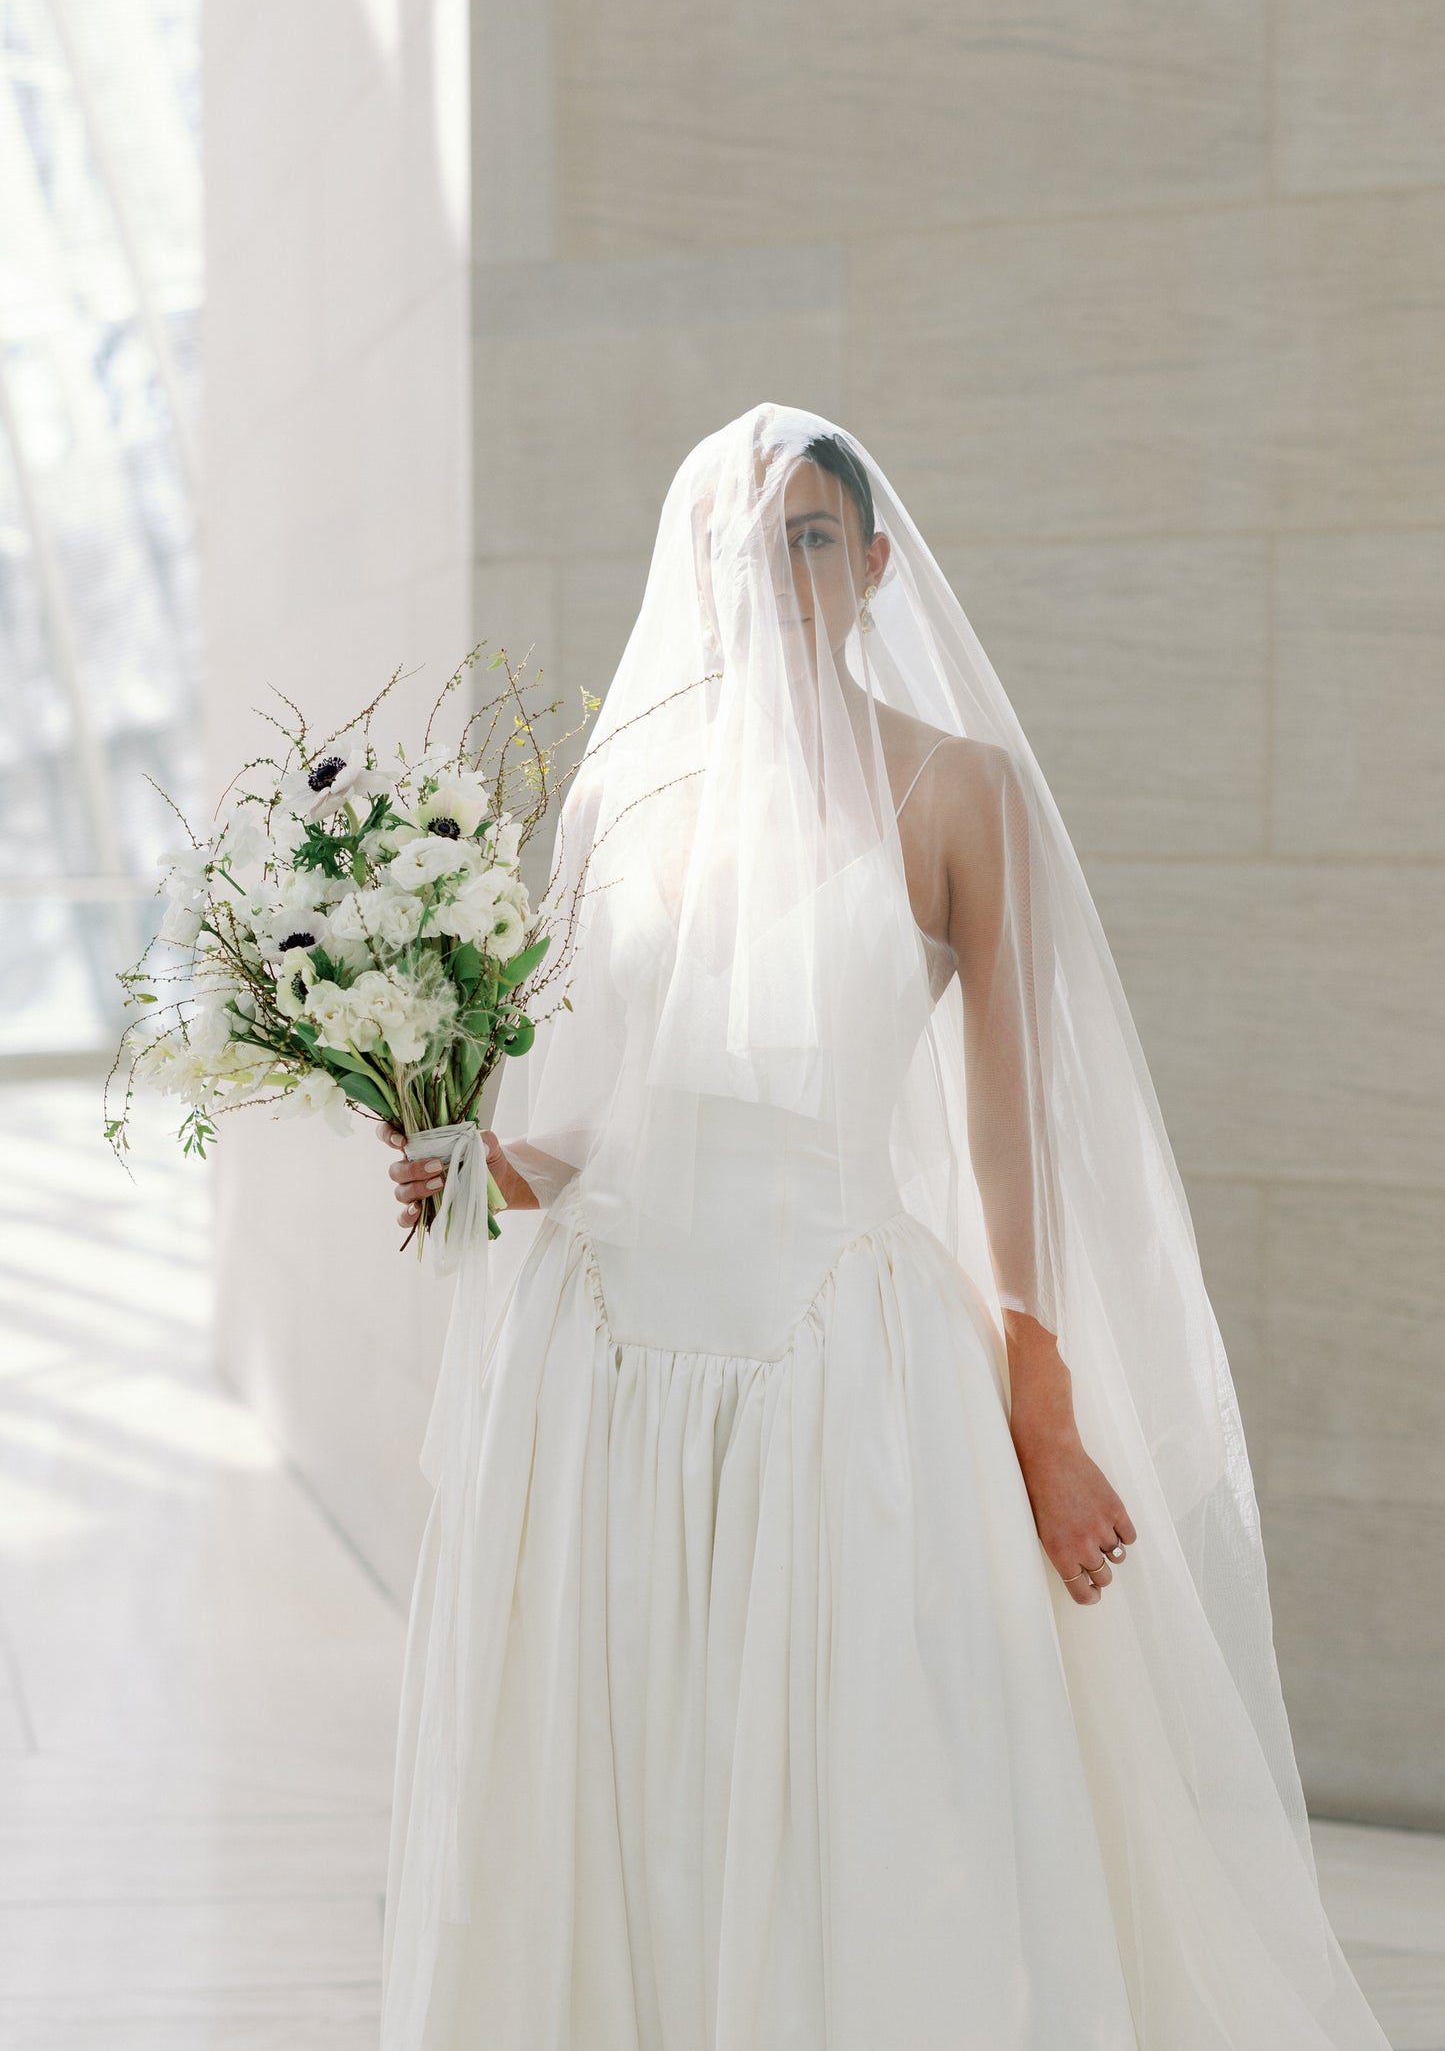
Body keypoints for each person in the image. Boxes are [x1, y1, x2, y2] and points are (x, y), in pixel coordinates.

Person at [375, 404, 1391, 2049]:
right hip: (611, 1362)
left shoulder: (955, 789)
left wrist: (1040, 1410)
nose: (771, 573)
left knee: (869, 1788)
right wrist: (463, 1159)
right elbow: (579, 1116)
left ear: (872, 560)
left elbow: (1013, 1132)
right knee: (626, 1775)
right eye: (738, 542)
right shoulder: (623, 792)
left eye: (806, 536)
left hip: (839, 1360)